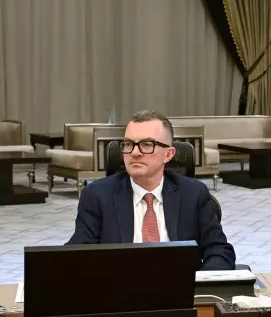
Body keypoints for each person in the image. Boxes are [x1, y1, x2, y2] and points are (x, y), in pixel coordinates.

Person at [67, 110, 236, 270]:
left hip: (179, 287)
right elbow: (78, 255)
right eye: (128, 144)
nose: (134, 152)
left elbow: (220, 251)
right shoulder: (97, 196)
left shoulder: (193, 194)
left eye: (147, 144)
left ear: (168, 154)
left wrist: (196, 284)